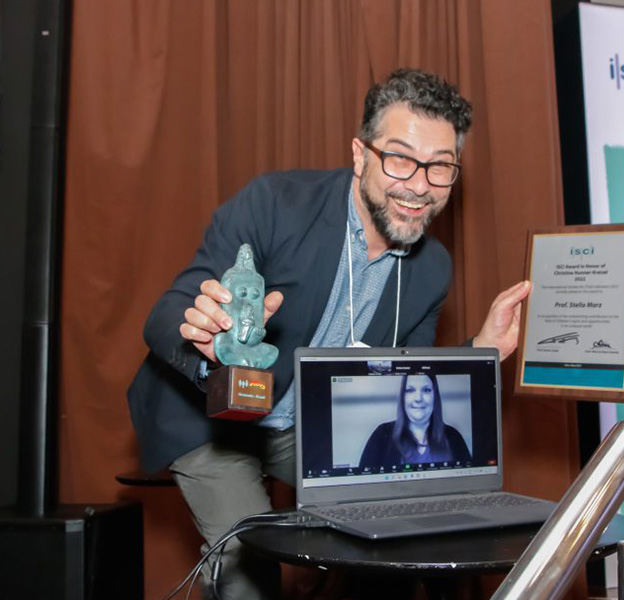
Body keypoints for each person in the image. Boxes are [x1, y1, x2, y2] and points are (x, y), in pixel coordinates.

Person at [127, 68, 530, 599]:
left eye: (440, 168)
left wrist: (481, 351)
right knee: (250, 564)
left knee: (399, 521)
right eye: (400, 158)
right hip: (210, 418)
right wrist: (205, 337)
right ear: (361, 156)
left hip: (307, 426)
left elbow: (406, 379)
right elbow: (166, 312)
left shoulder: (432, 267)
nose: (419, 185)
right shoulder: (276, 204)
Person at [359, 374, 471, 469]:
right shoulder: (382, 435)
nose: (418, 398)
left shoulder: (453, 436)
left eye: (426, 390)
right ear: (403, 397)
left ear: (435, 396)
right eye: (410, 390)